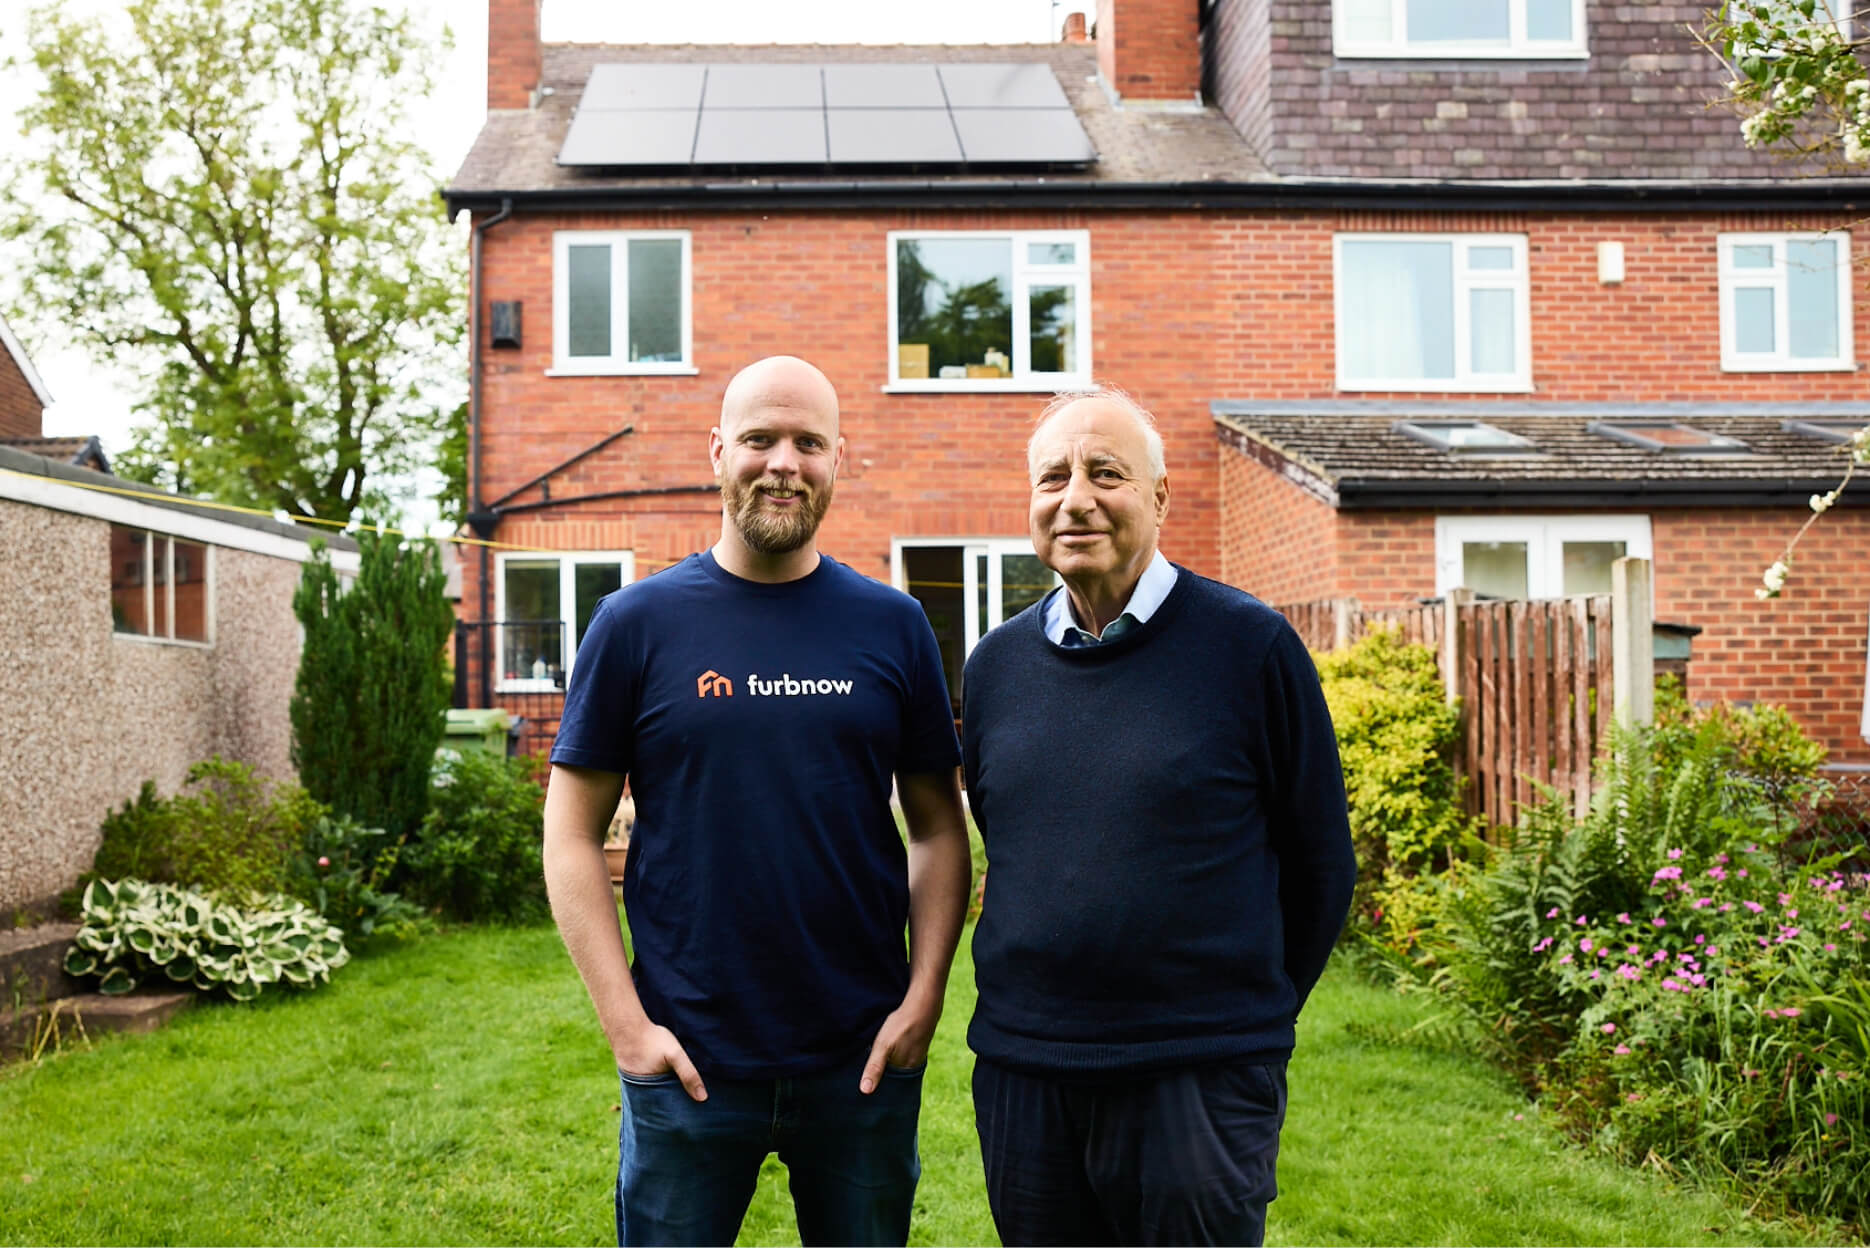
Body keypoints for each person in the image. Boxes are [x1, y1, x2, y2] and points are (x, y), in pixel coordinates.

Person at [541, 355, 972, 1247]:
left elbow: (937, 825)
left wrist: (925, 996)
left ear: (839, 458)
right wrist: (627, 1029)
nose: (784, 462)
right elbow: (571, 834)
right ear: (717, 451)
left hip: (862, 1061)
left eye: (809, 442)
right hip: (688, 1062)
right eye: (760, 439)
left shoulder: (893, 625)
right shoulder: (635, 624)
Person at [960, 385, 1356, 1247]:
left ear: (1160, 496)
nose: (1076, 499)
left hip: (1197, 1078)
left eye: (1107, 473)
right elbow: (1013, 842)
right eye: (1052, 477)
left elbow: (1322, 862)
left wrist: (1242, 1023)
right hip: (1027, 1072)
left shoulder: (1249, 648)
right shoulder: (994, 668)